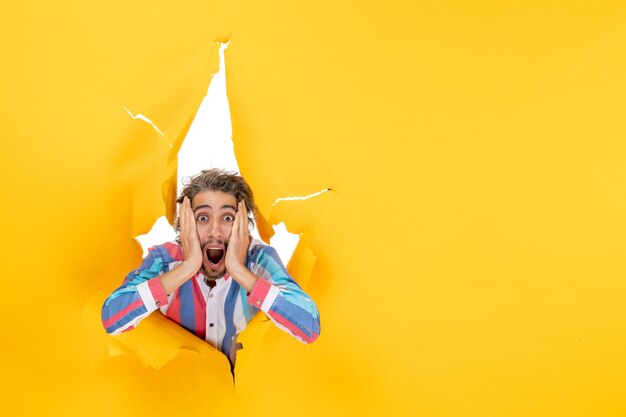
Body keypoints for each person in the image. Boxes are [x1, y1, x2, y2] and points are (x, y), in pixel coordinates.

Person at [101, 169, 320, 368]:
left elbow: (309, 326)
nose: (215, 230)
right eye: (203, 218)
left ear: (242, 225)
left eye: (227, 218)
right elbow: (112, 317)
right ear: (185, 225)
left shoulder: (259, 259)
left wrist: (239, 270)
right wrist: (187, 267)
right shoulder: (164, 260)